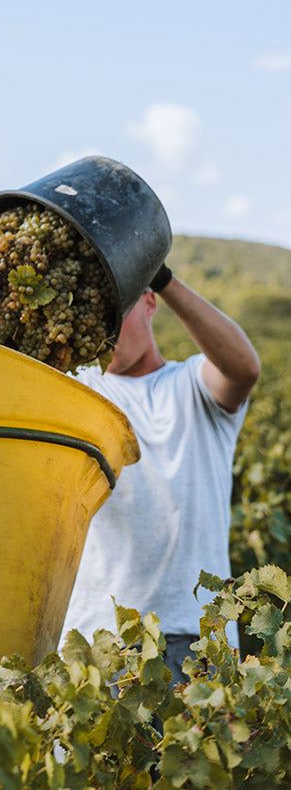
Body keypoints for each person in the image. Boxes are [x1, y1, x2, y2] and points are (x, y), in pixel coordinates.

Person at [59, 264, 260, 683]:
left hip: (196, 633)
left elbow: (244, 369)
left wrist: (159, 275)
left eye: (117, 313)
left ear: (150, 303)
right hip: (99, 632)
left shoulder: (193, 385)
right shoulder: (80, 390)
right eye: (96, 319)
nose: (105, 332)